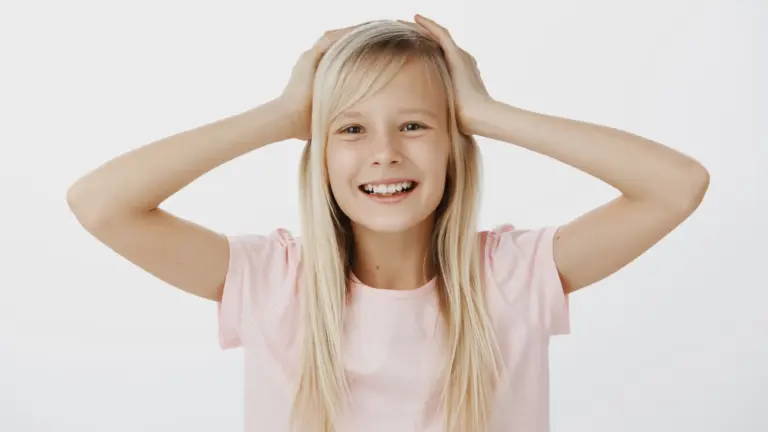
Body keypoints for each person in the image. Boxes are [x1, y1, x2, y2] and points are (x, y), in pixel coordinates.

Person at [66, 15, 709, 432]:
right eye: (351, 129)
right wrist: (282, 115)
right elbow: (100, 204)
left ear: (453, 145)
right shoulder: (272, 282)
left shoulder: (513, 277)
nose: (385, 153)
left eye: (414, 125)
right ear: (319, 151)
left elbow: (676, 186)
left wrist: (485, 113)